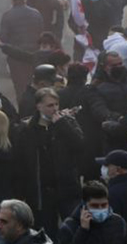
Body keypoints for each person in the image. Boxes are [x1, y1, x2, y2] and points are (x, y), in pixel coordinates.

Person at [13, 89, 82, 237]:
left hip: (66, 187)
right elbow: (20, 163)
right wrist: (21, 192)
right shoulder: (26, 129)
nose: (55, 109)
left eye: (56, 104)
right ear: (39, 106)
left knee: (73, 230)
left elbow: (80, 145)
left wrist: (62, 125)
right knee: (46, 232)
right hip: (41, 192)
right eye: (50, 105)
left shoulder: (67, 122)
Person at [0, 0, 44, 97]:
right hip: (34, 55)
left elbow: (2, 38)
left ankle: (24, 112)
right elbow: (42, 34)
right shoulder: (36, 13)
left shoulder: (7, 15)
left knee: (21, 88)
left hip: (16, 57)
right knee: (36, 87)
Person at [56, 181, 127, 244]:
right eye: (95, 206)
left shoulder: (118, 222)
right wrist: (83, 231)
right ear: (84, 206)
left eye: (104, 205)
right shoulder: (70, 227)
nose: (100, 209)